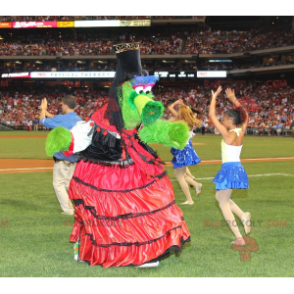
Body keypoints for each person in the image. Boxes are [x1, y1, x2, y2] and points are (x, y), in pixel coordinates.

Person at [45, 43, 191, 268]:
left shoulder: (138, 117)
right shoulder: (103, 116)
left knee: (142, 210)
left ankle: (144, 252)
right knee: (104, 213)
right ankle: (91, 246)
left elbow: (153, 129)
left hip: (136, 169)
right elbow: (84, 134)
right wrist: (65, 140)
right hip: (104, 174)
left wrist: (171, 132)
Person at [209, 86, 251, 246]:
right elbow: (245, 115)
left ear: (230, 121)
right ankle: (243, 215)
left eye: (224, 119)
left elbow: (212, 115)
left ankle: (239, 238)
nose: (222, 121)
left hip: (230, 169)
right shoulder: (241, 130)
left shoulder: (228, 134)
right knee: (220, 197)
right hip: (237, 168)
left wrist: (214, 97)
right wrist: (233, 100)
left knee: (223, 203)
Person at [39, 96, 81, 215]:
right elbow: (57, 119)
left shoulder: (61, 119)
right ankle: (84, 205)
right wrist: (47, 112)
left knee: (58, 184)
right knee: (69, 183)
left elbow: (42, 121)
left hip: (62, 157)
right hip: (74, 158)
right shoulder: (79, 119)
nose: (61, 106)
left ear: (66, 105)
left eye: (62, 105)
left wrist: (43, 109)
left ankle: (68, 210)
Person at [168, 99, 203, 205]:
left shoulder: (180, 121)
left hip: (182, 150)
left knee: (179, 176)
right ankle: (196, 185)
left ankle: (189, 200)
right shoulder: (189, 121)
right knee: (178, 174)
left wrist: (175, 104)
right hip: (185, 149)